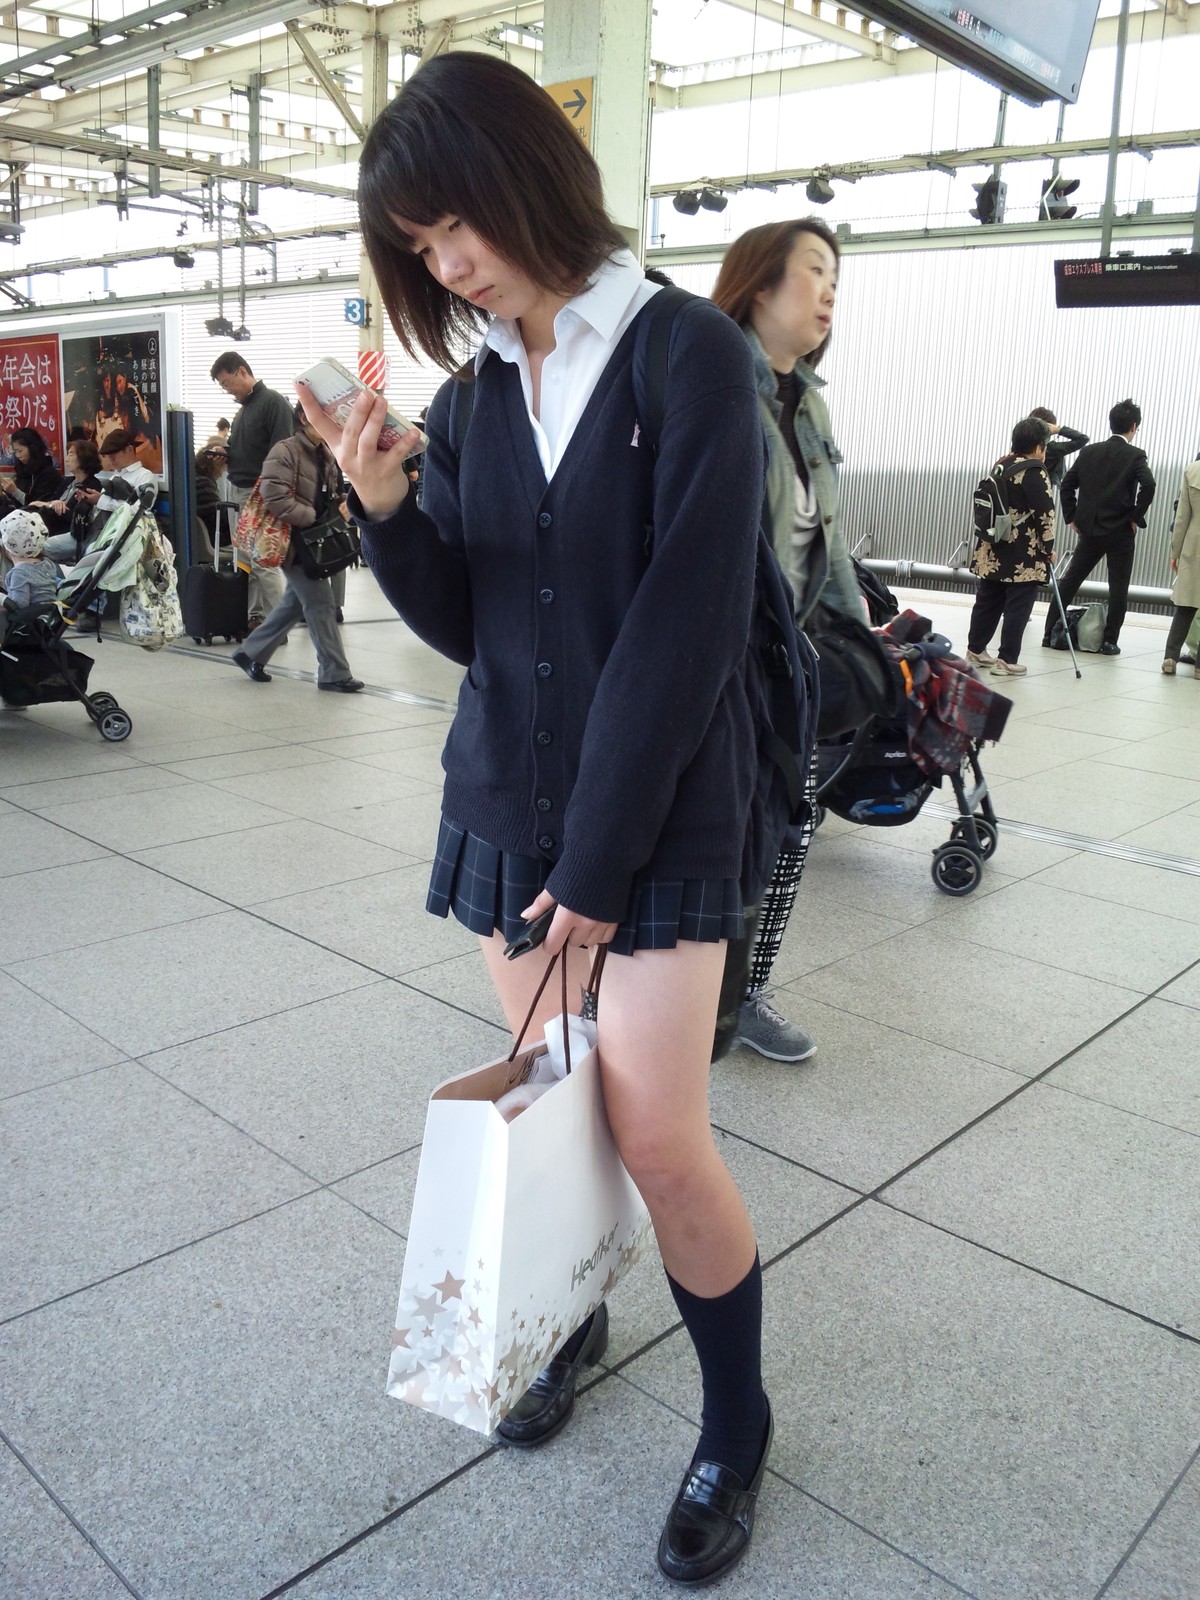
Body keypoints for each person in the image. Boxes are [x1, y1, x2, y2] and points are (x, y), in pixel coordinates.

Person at [298, 50, 781, 1588]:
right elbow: (473, 624)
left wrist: (598, 864)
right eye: (419, 244)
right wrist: (386, 509)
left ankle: (737, 1419)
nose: (446, 264)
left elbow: (685, 633)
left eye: (455, 226)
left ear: (528, 178)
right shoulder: (473, 397)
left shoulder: (689, 357)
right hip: (509, 807)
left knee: (659, 1135)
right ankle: (570, 1313)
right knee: (557, 1098)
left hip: (657, 825)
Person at [710, 218, 861, 1064]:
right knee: (713, 843)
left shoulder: (811, 400)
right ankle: (687, 1001)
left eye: (836, 276)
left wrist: (859, 642)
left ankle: (743, 994)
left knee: (782, 837)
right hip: (717, 666)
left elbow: (824, 545)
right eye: (814, 270)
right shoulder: (712, 384)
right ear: (760, 282)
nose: (830, 290)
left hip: (787, 668)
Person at [231, 401, 362, 693]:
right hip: (293, 542)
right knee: (322, 604)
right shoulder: (285, 450)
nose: (330, 423)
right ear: (304, 417)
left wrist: (343, 506)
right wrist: (310, 517)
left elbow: (331, 492)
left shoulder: (325, 450)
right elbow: (274, 496)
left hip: (314, 540)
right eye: (323, 417)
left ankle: (250, 653)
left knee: (293, 603)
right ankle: (334, 672)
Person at [1046, 398, 1155, 656]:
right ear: (1133, 426)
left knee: (1070, 581)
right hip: (1121, 532)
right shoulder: (1135, 455)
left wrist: (1072, 516)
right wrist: (1134, 517)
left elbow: (1068, 484)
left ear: (1111, 423)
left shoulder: (1089, 452)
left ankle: (1049, 632)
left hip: (1090, 530)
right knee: (1118, 588)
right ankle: (1109, 642)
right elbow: (1149, 485)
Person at [965, 417, 1055, 677]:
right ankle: (1006, 660)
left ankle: (975, 650)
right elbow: (1045, 515)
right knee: (1019, 604)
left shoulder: (1001, 464)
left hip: (993, 544)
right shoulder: (1035, 471)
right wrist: (1048, 548)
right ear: (1038, 447)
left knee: (987, 599)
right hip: (1021, 552)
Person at [210, 352, 294, 627]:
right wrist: (226, 452)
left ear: (242, 371)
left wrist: (270, 494)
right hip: (238, 489)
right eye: (222, 386)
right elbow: (247, 449)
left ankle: (277, 625)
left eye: (227, 383)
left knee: (263, 562)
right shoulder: (243, 410)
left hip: (260, 493)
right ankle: (254, 616)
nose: (227, 390)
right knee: (246, 559)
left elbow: (282, 452)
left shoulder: (273, 402)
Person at [33, 439, 103, 560]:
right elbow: (51, 500)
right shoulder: (68, 481)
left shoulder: (92, 486)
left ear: (84, 457)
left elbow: (77, 518)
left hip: (67, 531)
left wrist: (56, 507)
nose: (66, 459)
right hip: (48, 525)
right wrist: (52, 504)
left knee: (29, 548)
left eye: (71, 454)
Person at [1162, 454, 1200, 675]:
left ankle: (1170, 657)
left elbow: (1182, 516)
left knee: (1185, 604)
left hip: (1193, 545)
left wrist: (1175, 551)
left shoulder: (1192, 470)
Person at [1, 509, 60, 609]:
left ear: (8, 547)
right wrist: (6, 585)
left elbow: (19, 606)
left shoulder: (19, 573)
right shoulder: (46, 562)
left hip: (34, 616)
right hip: (51, 611)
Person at [1, 428, 65, 508]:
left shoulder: (48, 474)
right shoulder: (23, 470)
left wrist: (15, 492)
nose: (18, 456)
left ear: (32, 448)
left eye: (20, 451)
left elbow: (39, 505)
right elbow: (17, 502)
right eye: (15, 452)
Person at [1029, 406, 1088, 490]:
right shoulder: (1052, 449)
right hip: (1049, 489)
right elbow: (1083, 439)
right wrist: (1059, 430)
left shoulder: (1022, 446)